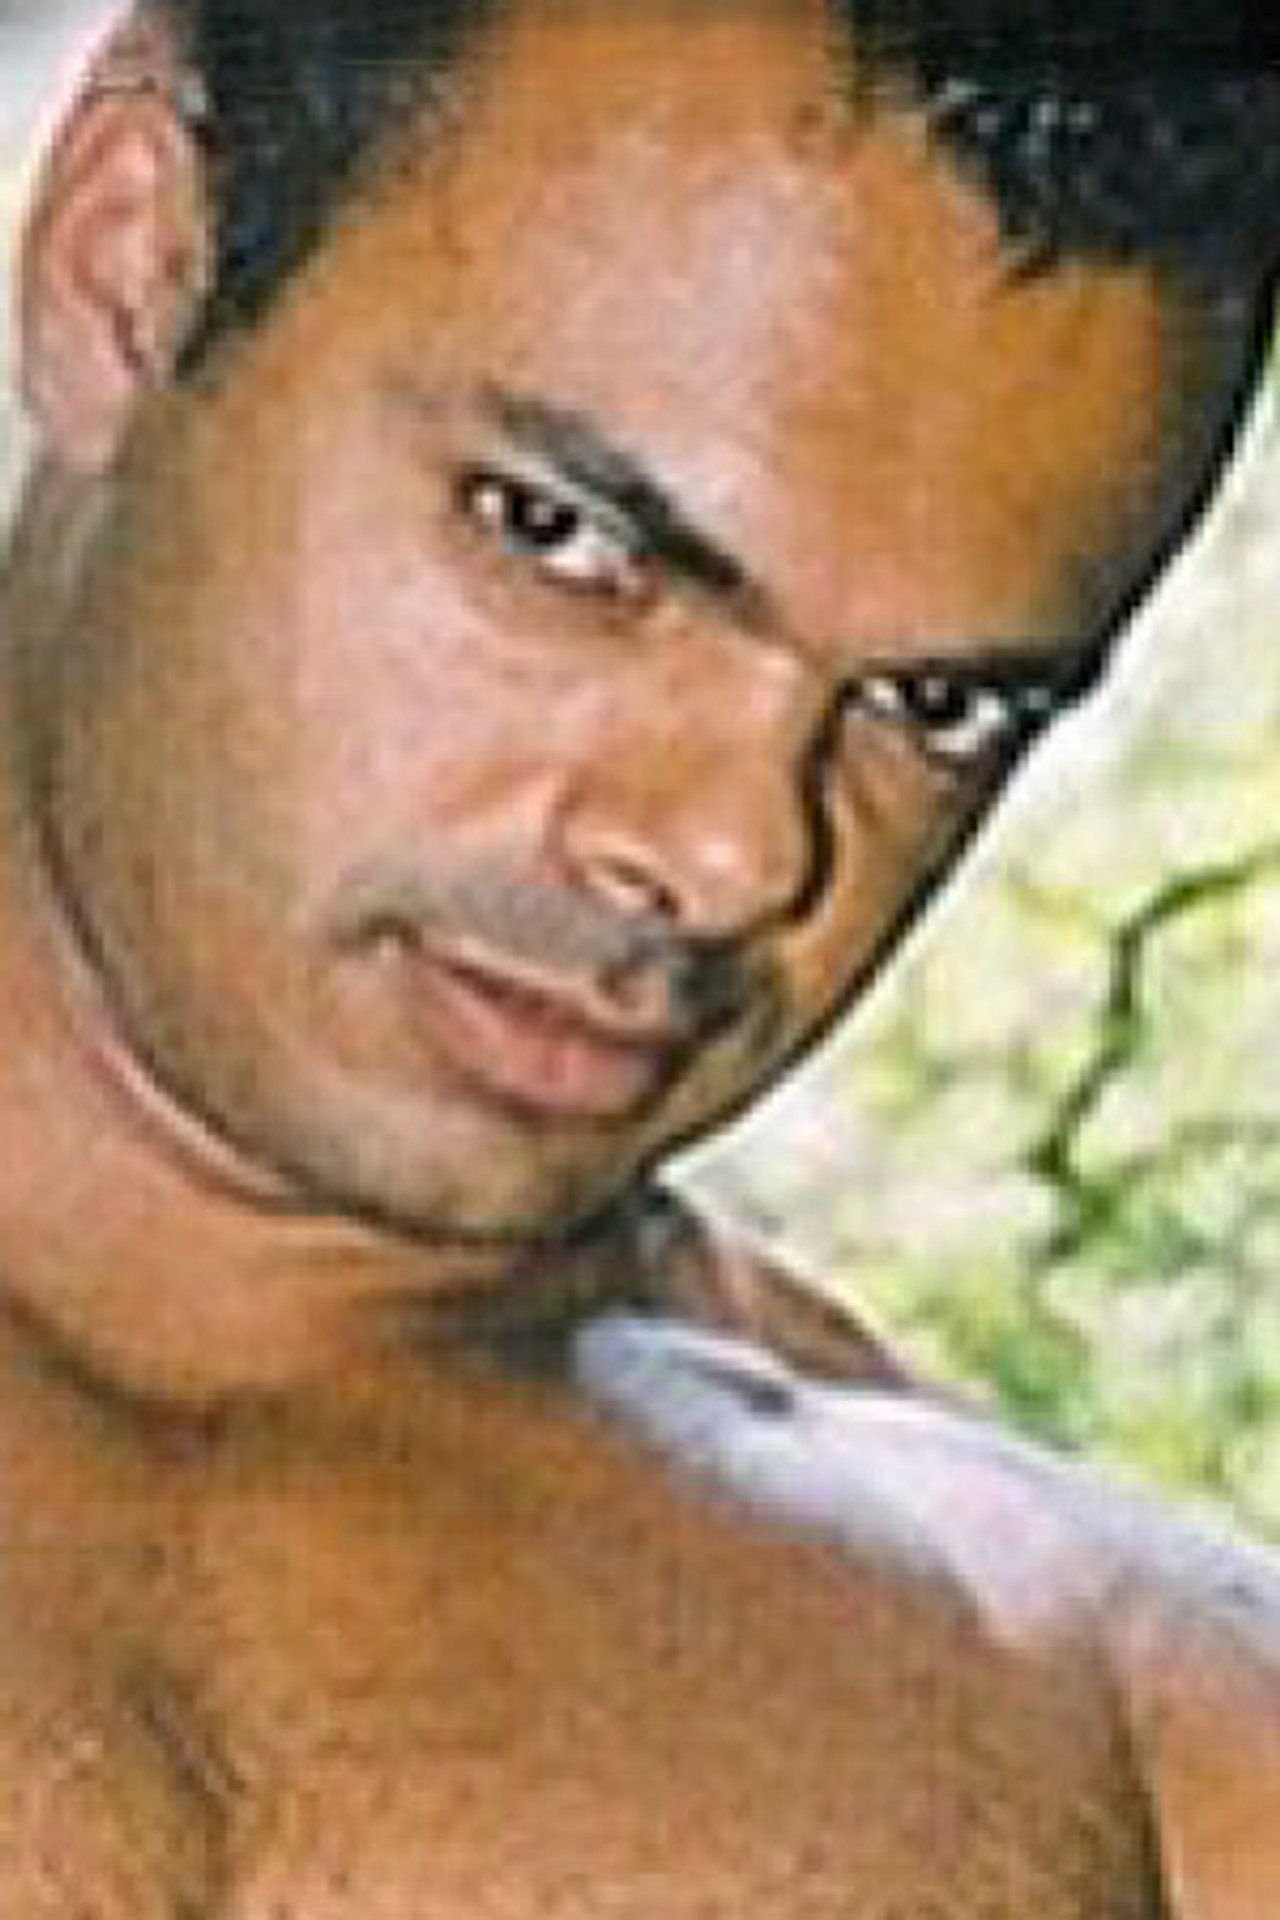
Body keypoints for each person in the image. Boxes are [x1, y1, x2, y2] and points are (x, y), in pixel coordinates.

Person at [2, 0, 1280, 1910]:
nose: (737, 855)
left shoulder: (1139, 1731)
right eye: (568, 540)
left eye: (939, 707)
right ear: (130, 268)